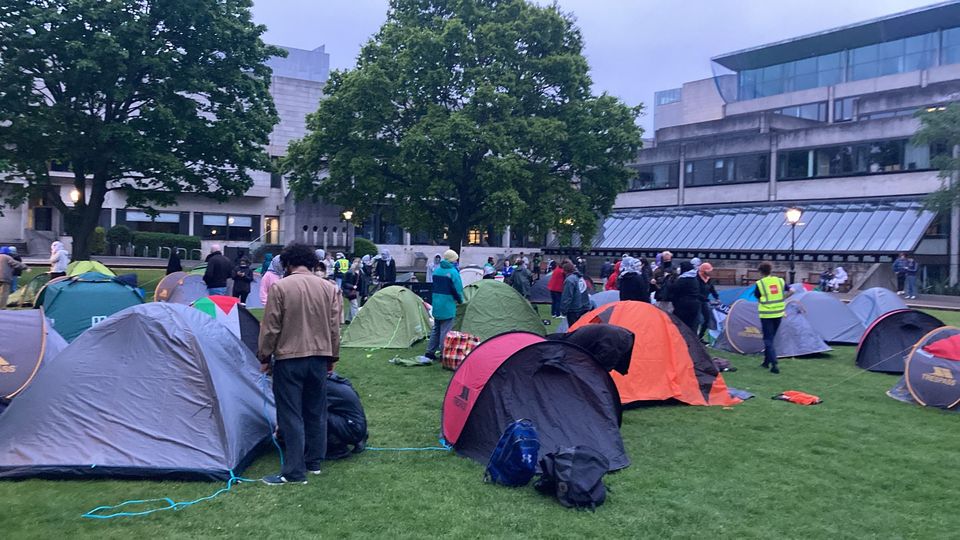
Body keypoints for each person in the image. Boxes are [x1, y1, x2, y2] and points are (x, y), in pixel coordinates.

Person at [258, 243, 342, 485]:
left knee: (290, 414)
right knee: (316, 410)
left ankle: (294, 472)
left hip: (289, 359)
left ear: (287, 263)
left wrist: (264, 356)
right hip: (319, 358)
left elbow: (271, 327)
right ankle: (314, 461)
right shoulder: (329, 288)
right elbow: (335, 328)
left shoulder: (280, 287)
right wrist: (332, 357)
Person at [422, 250, 464, 362]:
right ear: (452, 260)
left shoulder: (437, 270)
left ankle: (429, 352)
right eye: (455, 259)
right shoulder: (453, 272)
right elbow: (458, 289)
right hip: (447, 304)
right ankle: (443, 354)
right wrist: (460, 300)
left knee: (436, 329)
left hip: (437, 303)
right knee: (445, 331)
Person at [754, 261, 791, 374]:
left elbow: (758, 297)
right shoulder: (779, 280)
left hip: (766, 314)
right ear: (771, 270)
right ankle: (766, 362)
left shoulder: (760, 283)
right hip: (778, 313)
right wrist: (783, 298)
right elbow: (792, 290)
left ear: (760, 272)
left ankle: (774, 363)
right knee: (771, 338)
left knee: (768, 339)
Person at [670, 261, 701, 332]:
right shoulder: (694, 278)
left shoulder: (684, 279)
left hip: (684, 305)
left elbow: (674, 288)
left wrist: (669, 281)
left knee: (682, 325)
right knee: (692, 326)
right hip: (694, 304)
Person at [559, 260, 591, 326]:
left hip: (573, 309)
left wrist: (563, 310)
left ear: (565, 270)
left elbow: (567, 296)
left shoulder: (569, 280)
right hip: (583, 307)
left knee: (573, 330)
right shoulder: (579, 277)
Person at [697, 263, 720, 341]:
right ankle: (694, 336)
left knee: (707, 318)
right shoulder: (697, 278)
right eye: (709, 270)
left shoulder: (708, 279)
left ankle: (700, 337)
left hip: (705, 301)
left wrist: (716, 297)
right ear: (704, 271)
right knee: (696, 319)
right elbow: (696, 292)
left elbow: (711, 289)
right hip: (697, 301)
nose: (710, 272)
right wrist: (708, 300)